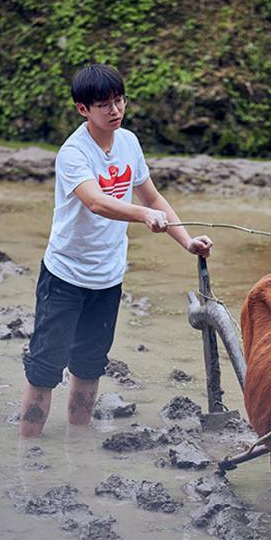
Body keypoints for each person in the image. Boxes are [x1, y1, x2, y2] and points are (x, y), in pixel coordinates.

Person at [20, 63, 213, 436]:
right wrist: (142, 215)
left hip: (108, 279)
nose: (115, 110)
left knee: (89, 367)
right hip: (65, 276)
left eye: (120, 100)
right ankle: (28, 456)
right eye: (104, 104)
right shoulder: (73, 152)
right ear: (83, 109)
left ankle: (78, 444)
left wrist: (186, 240)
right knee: (44, 368)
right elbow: (95, 202)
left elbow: (152, 197)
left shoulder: (129, 142)